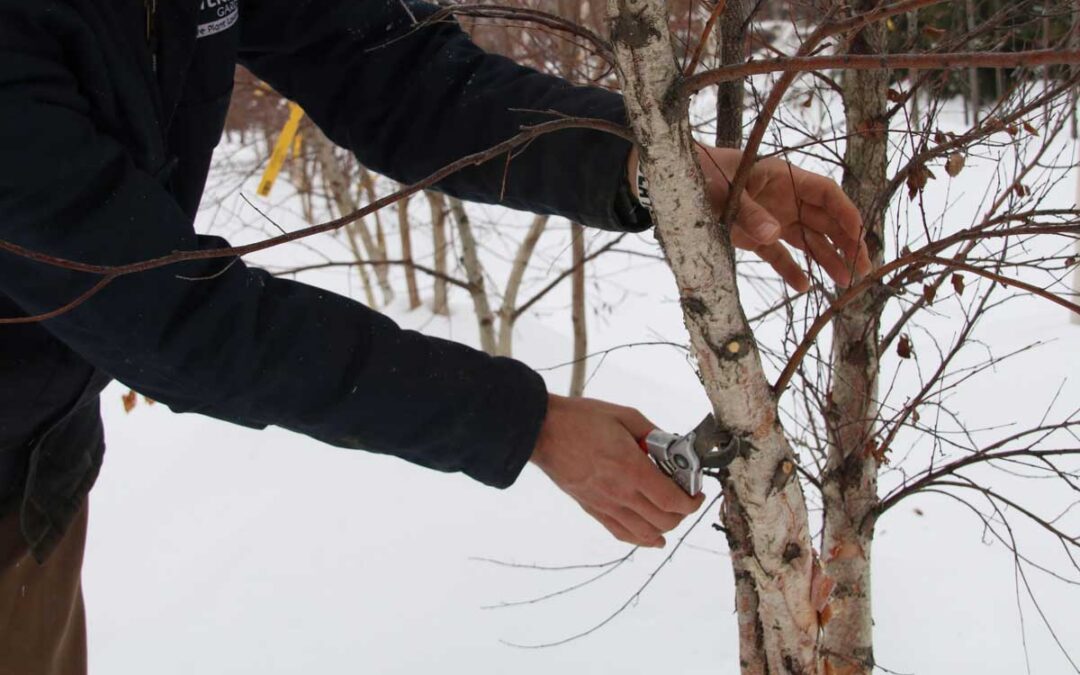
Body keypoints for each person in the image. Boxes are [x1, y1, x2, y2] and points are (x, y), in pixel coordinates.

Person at [0, 0, 871, 672]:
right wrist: (522, 422)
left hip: (38, 474)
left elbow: (395, 72)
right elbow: (175, 317)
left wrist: (651, 165)